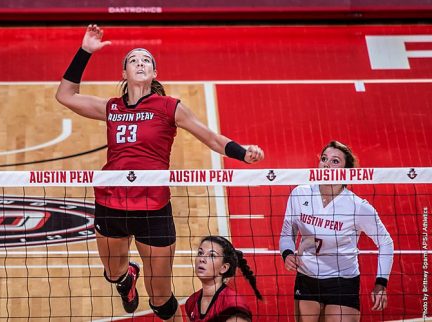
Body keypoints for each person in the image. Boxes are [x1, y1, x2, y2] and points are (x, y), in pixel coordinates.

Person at [55, 25, 264, 321]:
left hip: (153, 209)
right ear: (124, 73)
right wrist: (86, 51)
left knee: (160, 297)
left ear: (154, 73)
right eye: (133, 60)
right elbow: (65, 95)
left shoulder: (169, 108)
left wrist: (244, 153)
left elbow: (212, 138)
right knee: (113, 274)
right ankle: (127, 279)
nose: (140, 63)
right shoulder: (112, 108)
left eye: (146, 61)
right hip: (111, 203)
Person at [279, 140, 394, 322]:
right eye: (324, 158)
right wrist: (286, 253)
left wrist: (381, 282)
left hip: (342, 281)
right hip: (306, 277)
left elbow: (386, 242)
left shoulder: (357, 207)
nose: (326, 164)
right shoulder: (299, 194)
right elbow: (287, 232)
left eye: (335, 161)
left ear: (346, 171)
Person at [185, 236, 263, 322]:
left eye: (212, 255)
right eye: (200, 253)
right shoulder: (192, 301)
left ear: (224, 268)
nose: (202, 259)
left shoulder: (233, 305)